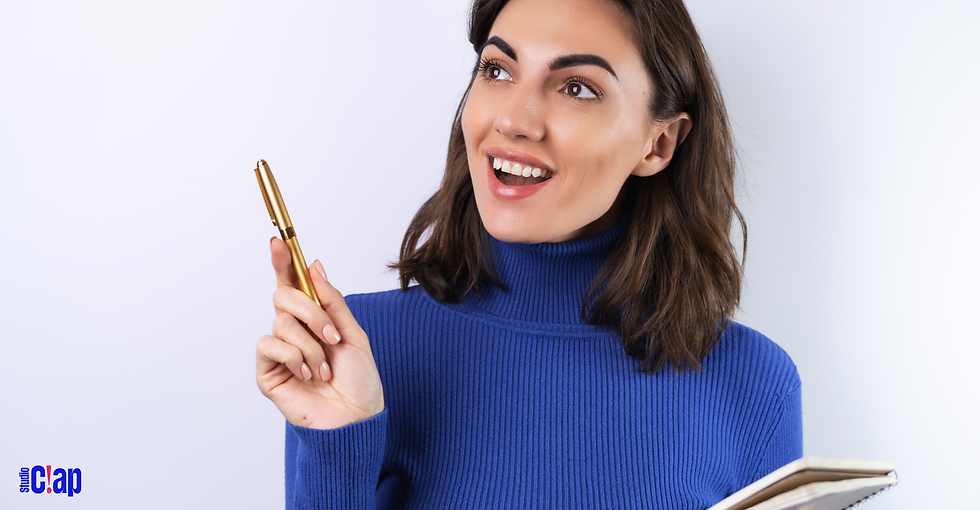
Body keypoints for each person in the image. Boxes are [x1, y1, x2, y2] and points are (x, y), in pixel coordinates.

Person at [256, 0, 802, 507]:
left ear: (658, 144)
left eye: (577, 88)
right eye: (497, 70)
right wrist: (337, 445)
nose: (514, 120)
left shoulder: (755, 385)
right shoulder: (356, 352)